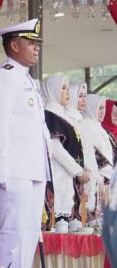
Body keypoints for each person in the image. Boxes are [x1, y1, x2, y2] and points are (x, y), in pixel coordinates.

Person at [0, 18, 49, 268]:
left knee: (29, 233)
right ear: (14, 46)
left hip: (32, 169)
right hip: (12, 170)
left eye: (36, 43)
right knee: (12, 233)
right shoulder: (4, 77)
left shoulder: (27, 79)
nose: (36, 47)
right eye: (30, 42)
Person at [42, 75, 86, 224]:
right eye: (63, 88)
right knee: (56, 225)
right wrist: (78, 171)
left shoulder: (63, 116)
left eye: (68, 88)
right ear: (52, 90)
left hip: (67, 177)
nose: (67, 92)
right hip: (55, 177)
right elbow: (56, 148)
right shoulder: (48, 115)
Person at [70, 82, 100, 218]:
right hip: (77, 177)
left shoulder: (81, 120)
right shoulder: (69, 120)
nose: (83, 100)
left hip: (89, 176)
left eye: (84, 96)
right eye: (79, 96)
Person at [84, 94, 113, 208]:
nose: (102, 111)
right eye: (99, 108)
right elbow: (91, 155)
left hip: (106, 179)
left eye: (104, 108)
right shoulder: (87, 127)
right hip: (95, 179)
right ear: (91, 107)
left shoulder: (99, 128)